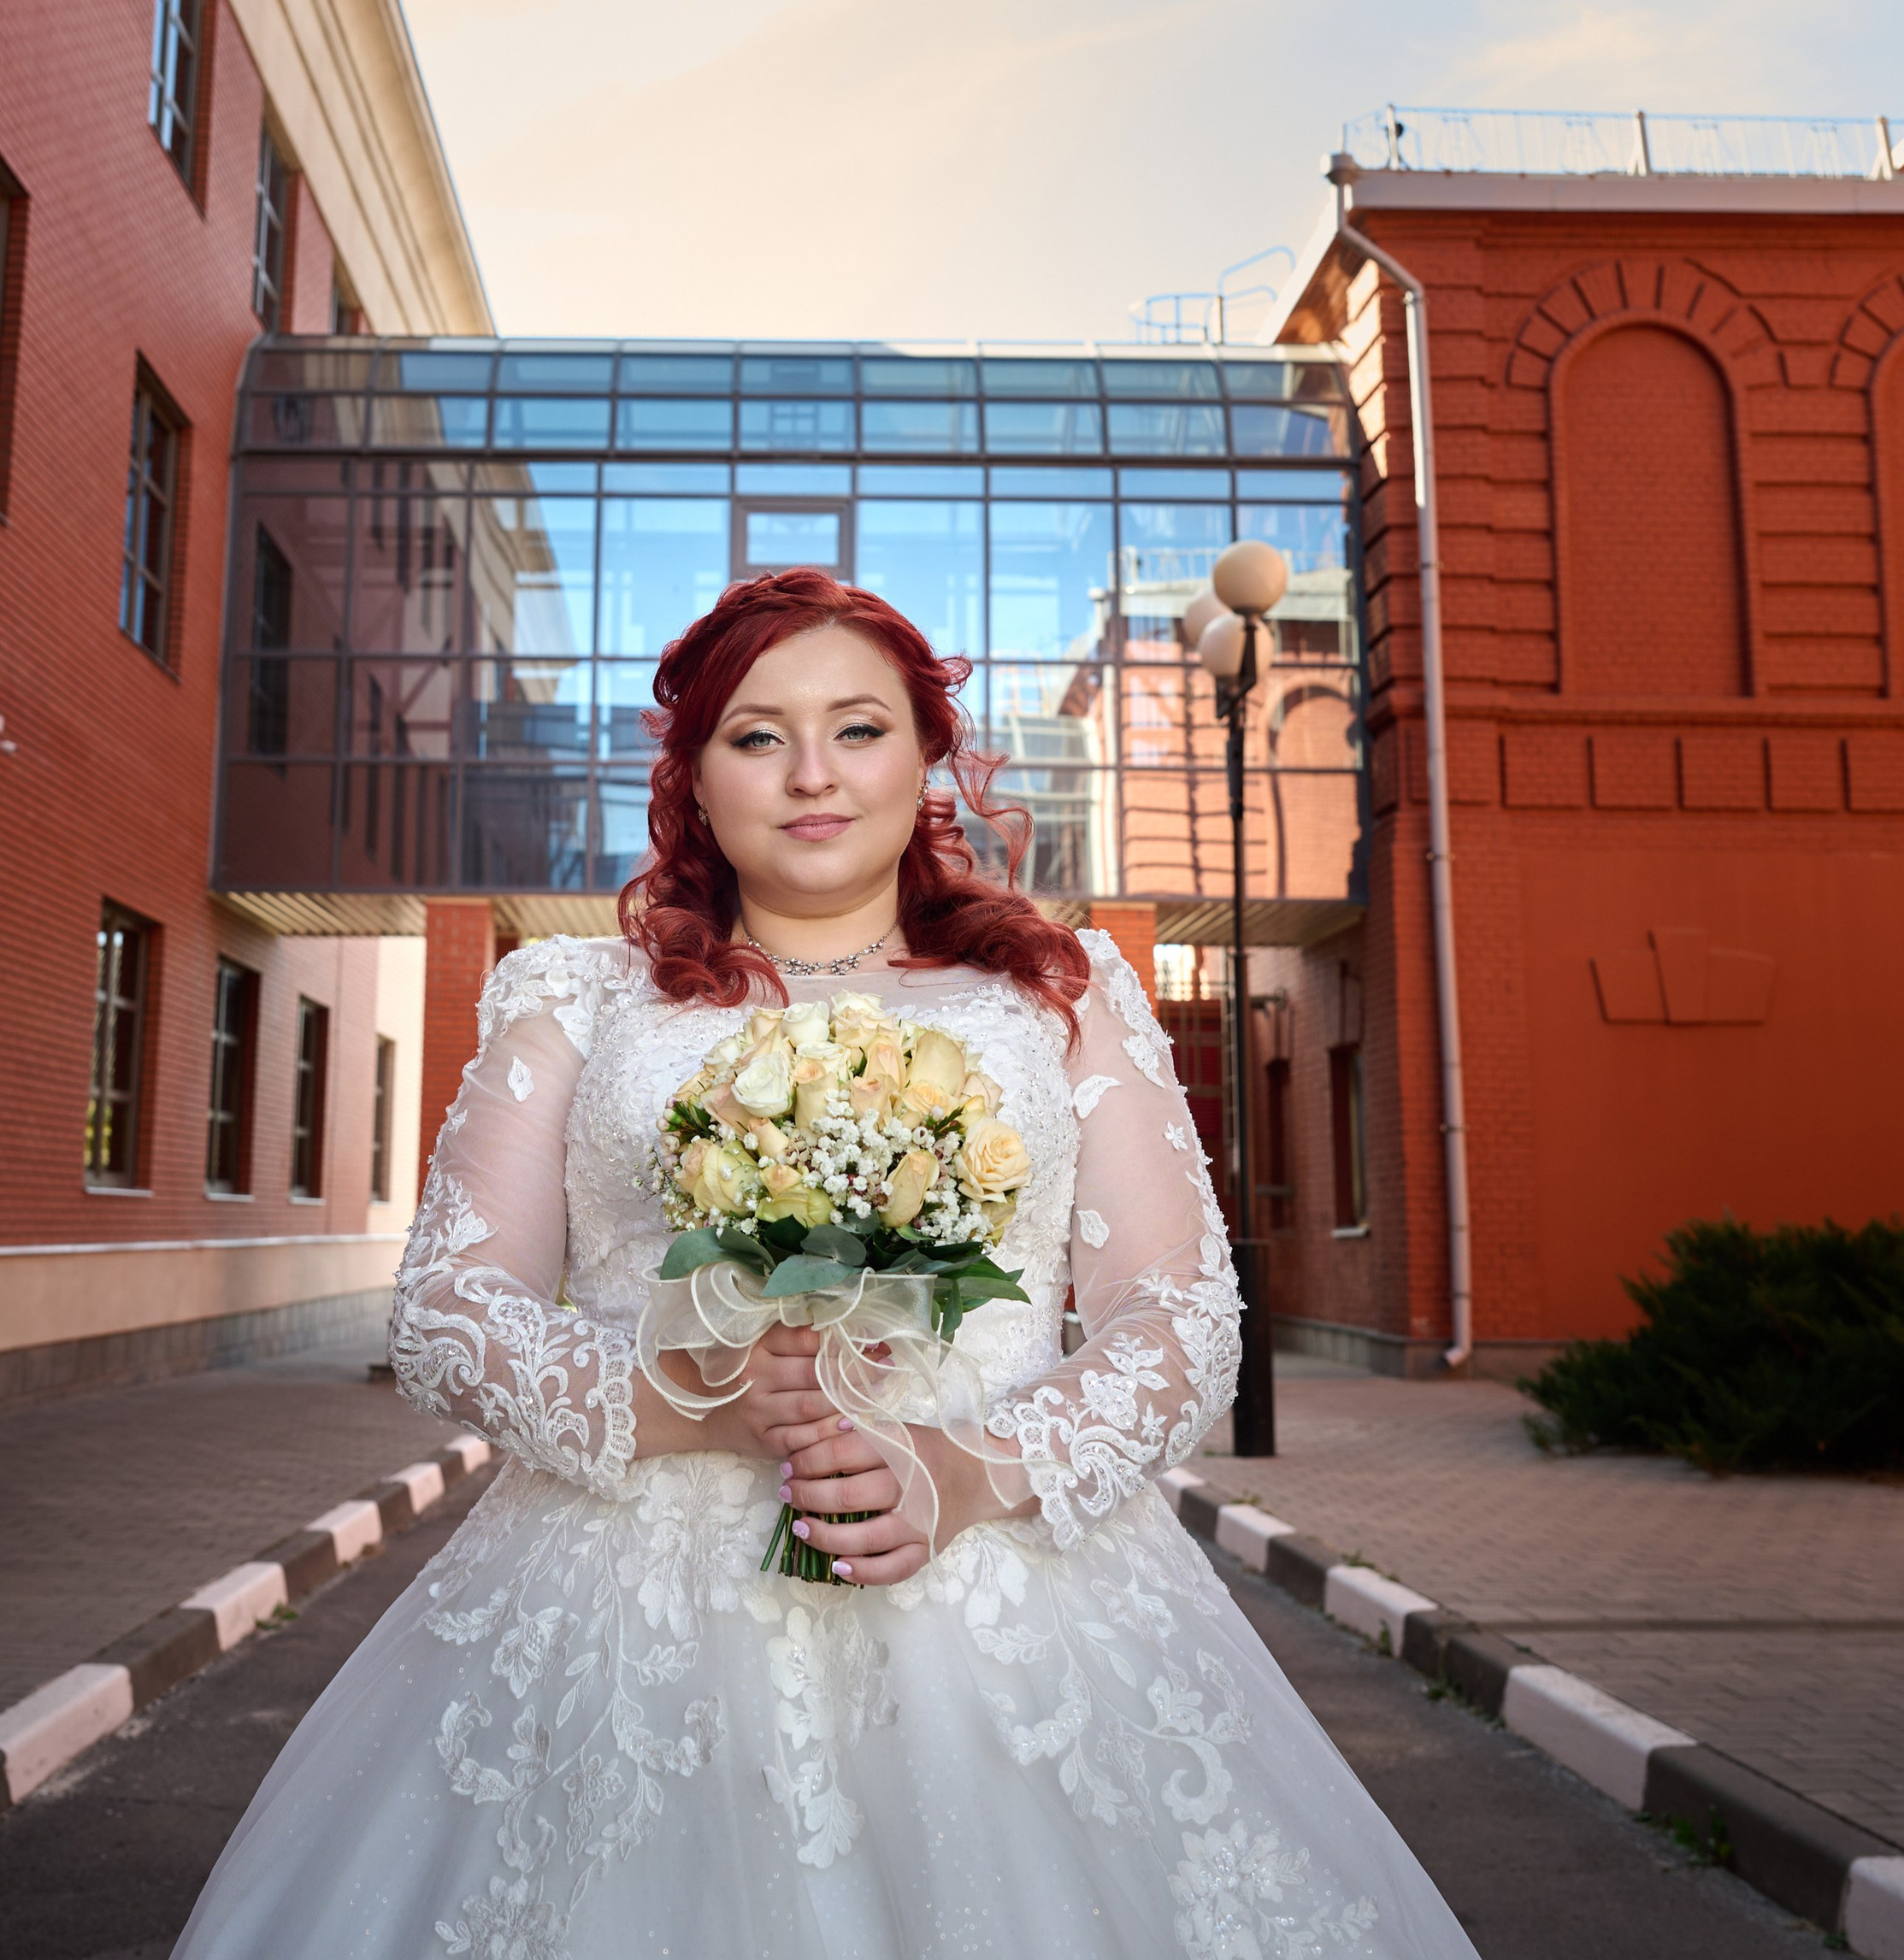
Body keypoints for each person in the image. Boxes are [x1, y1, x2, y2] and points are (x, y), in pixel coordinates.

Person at [172, 568, 1477, 1959]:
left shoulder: (1060, 992)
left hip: (1006, 1597)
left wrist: (968, 1470)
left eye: (859, 729)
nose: (811, 774)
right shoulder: (574, 999)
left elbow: (1182, 1315)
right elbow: (447, 1305)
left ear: (929, 760)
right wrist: (681, 1404)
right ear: (693, 775)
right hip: (625, 1611)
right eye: (754, 734)